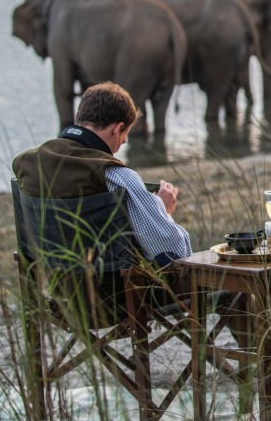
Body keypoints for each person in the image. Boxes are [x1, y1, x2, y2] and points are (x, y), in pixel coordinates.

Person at [13, 82, 191, 318]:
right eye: (123, 140)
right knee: (233, 287)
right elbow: (175, 253)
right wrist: (162, 210)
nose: (117, 150)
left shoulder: (28, 164)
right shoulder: (116, 176)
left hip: (64, 299)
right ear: (117, 129)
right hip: (119, 301)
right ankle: (247, 353)